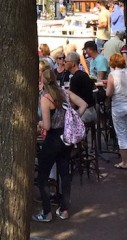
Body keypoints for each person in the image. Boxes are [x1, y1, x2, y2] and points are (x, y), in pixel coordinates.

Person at [34, 63, 86, 223]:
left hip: (53, 138)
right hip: (67, 137)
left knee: (42, 176)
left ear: (43, 81)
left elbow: (47, 125)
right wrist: (74, 118)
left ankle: (46, 211)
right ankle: (64, 209)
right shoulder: (65, 93)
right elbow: (84, 104)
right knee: (65, 173)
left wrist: (39, 124)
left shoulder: (46, 98)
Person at [107, 51, 127, 170]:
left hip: (119, 106)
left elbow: (109, 93)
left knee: (121, 135)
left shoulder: (112, 74)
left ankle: (124, 162)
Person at [66, 51, 97, 124]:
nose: (65, 63)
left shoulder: (75, 78)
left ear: (73, 63)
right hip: (92, 110)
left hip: (84, 112)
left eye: (66, 61)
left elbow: (73, 103)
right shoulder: (84, 75)